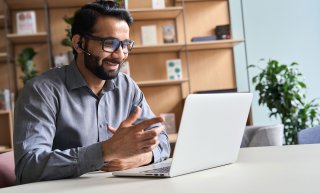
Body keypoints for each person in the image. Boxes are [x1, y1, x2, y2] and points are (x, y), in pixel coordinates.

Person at [13, 1, 170, 184]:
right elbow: (28, 167)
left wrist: (139, 158)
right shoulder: (41, 91)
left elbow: (162, 141)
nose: (120, 55)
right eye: (109, 43)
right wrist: (105, 151)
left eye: (125, 44)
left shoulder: (127, 87)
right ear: (78, 44)